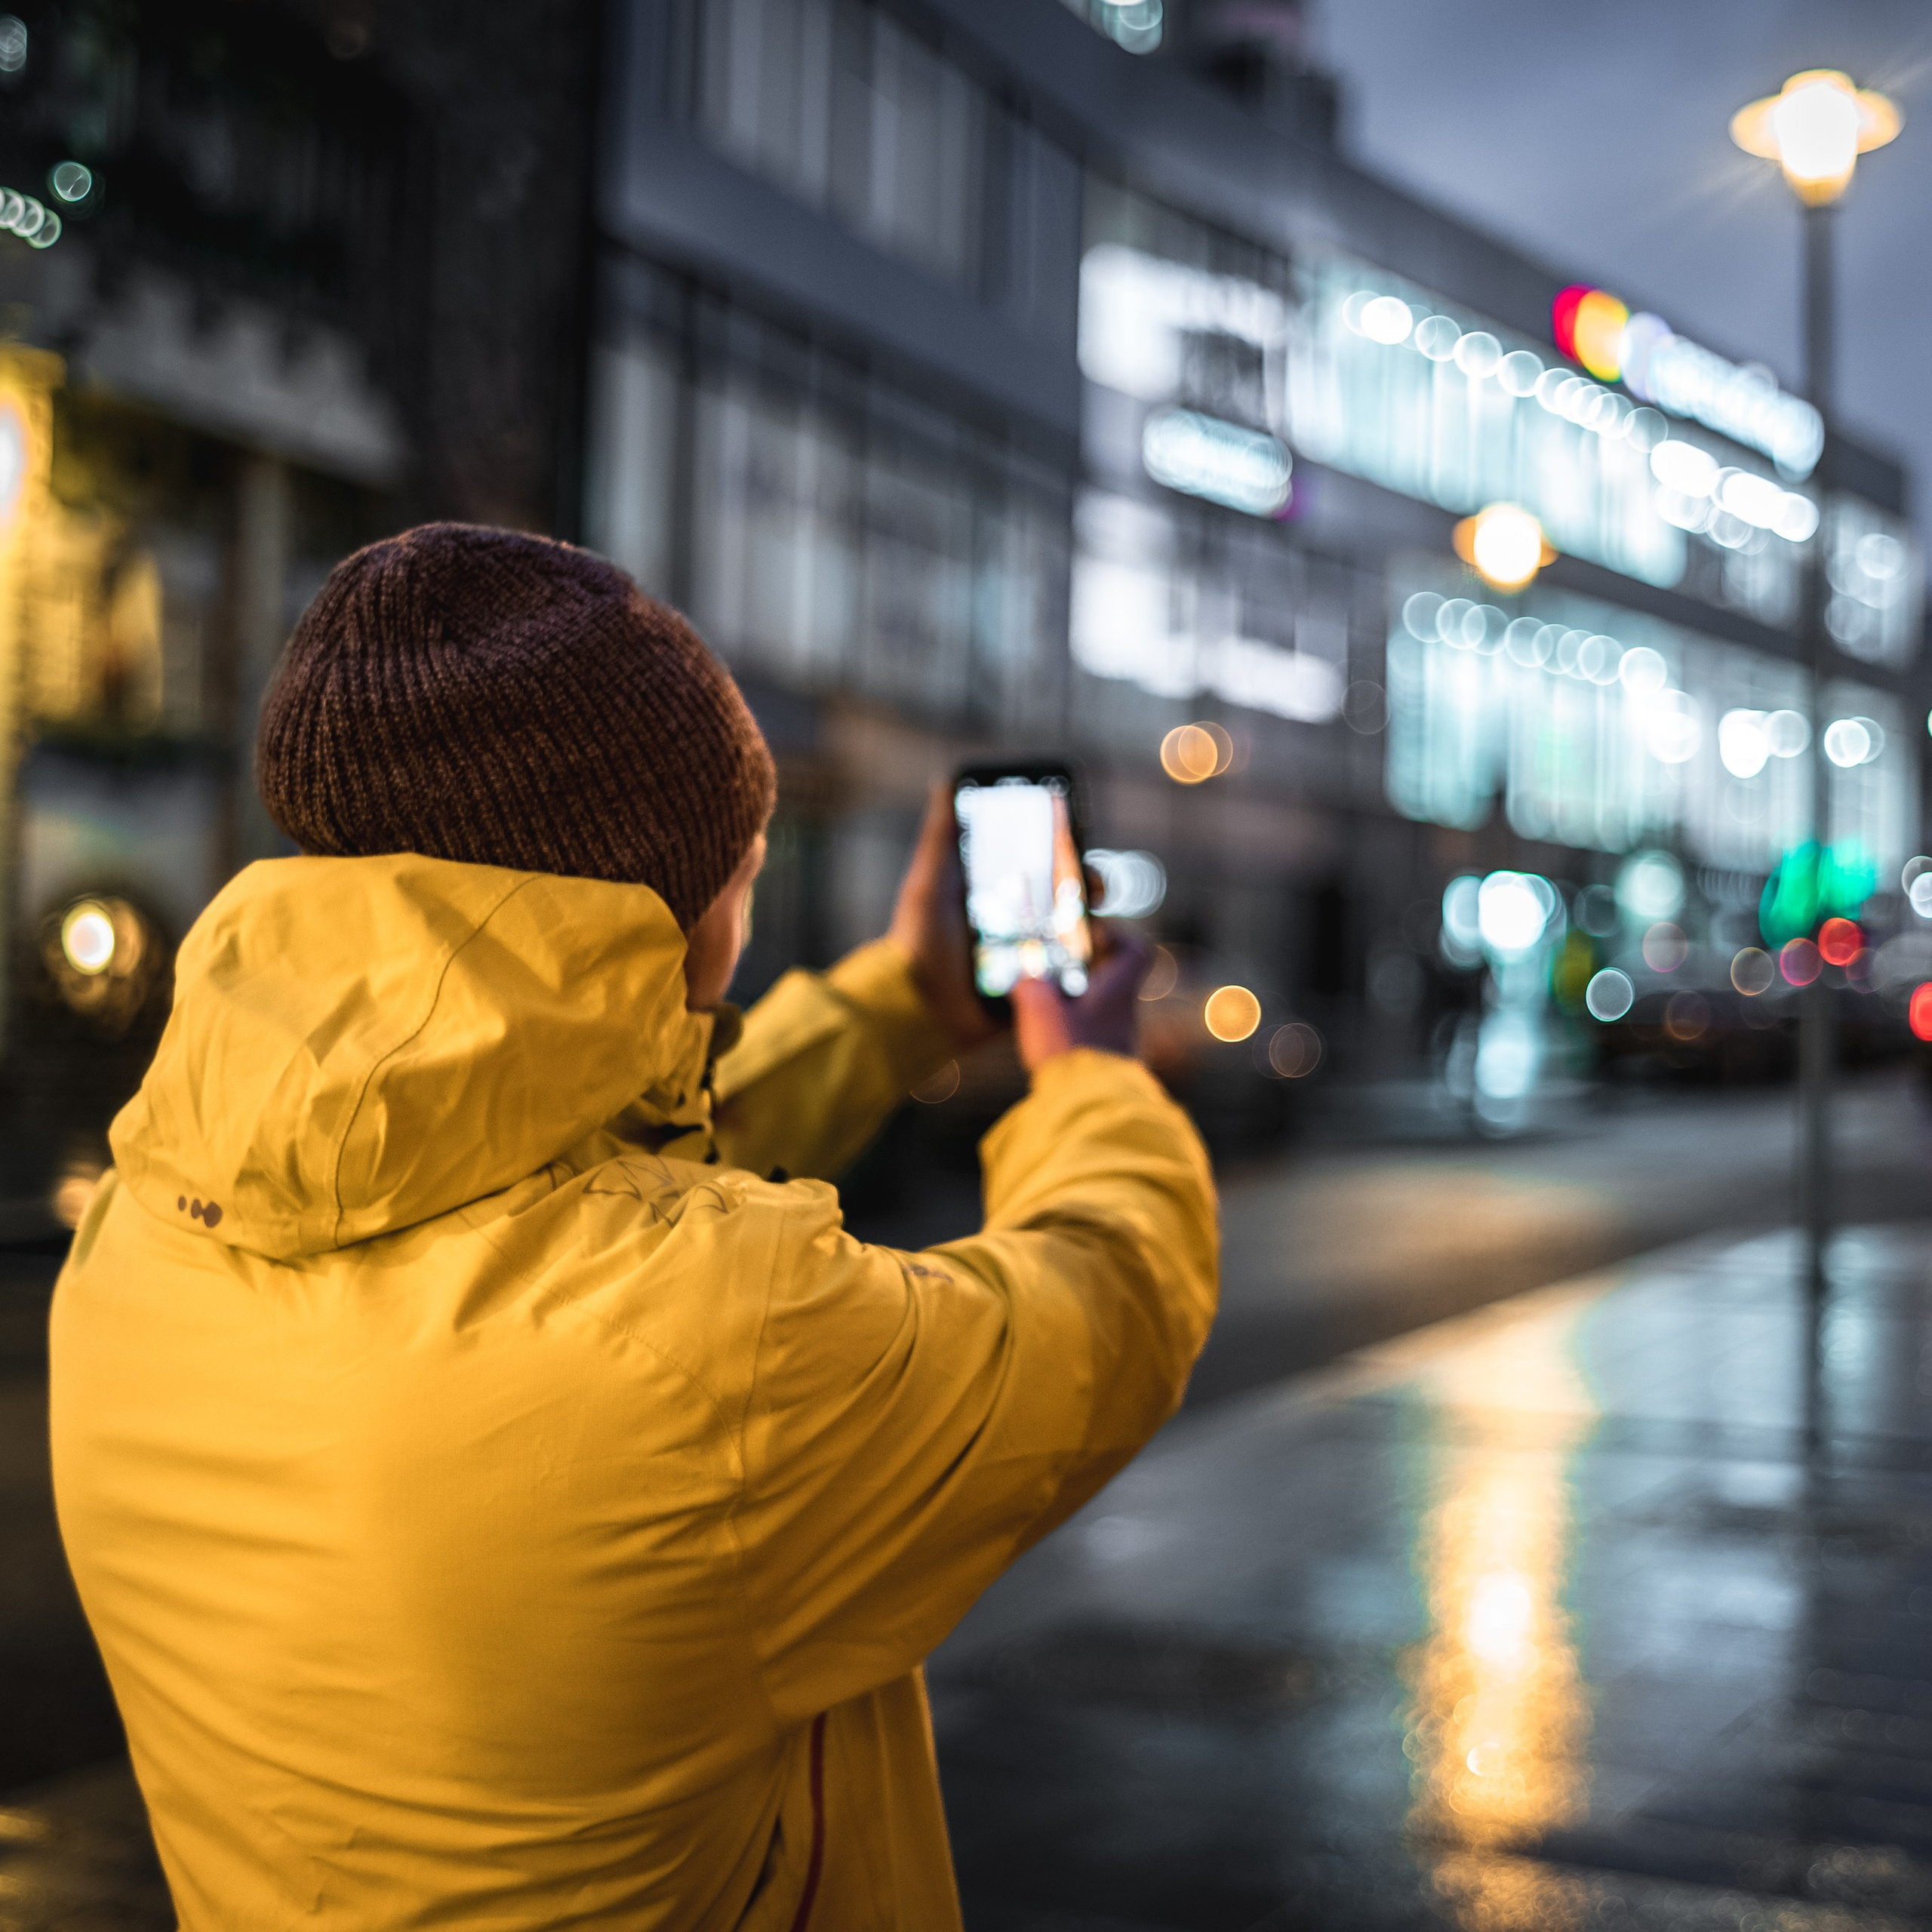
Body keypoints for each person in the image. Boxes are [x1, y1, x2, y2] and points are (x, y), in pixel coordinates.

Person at [49, 522, 1220, 1930]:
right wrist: (1088, 1075)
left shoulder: (137, 1230)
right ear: (686, 905)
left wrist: (896, 1002)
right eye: (744, 859)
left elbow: (550, 1172)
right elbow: (1104, 1313)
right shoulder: (726, 1341)